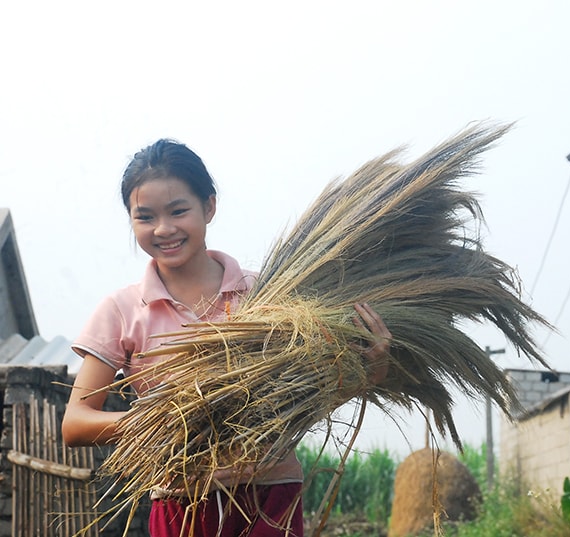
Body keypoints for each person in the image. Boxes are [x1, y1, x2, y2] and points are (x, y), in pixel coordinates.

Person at [61, 139, 392, 537]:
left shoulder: (268, 294)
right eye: (145, 217)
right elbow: (76, 423)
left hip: (271, 499)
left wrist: (371, 370)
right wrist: (165, 419)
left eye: (178, 211)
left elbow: (307, 397)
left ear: (209, 207)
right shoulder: (121, 310)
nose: (163, 229)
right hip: (181, 499)